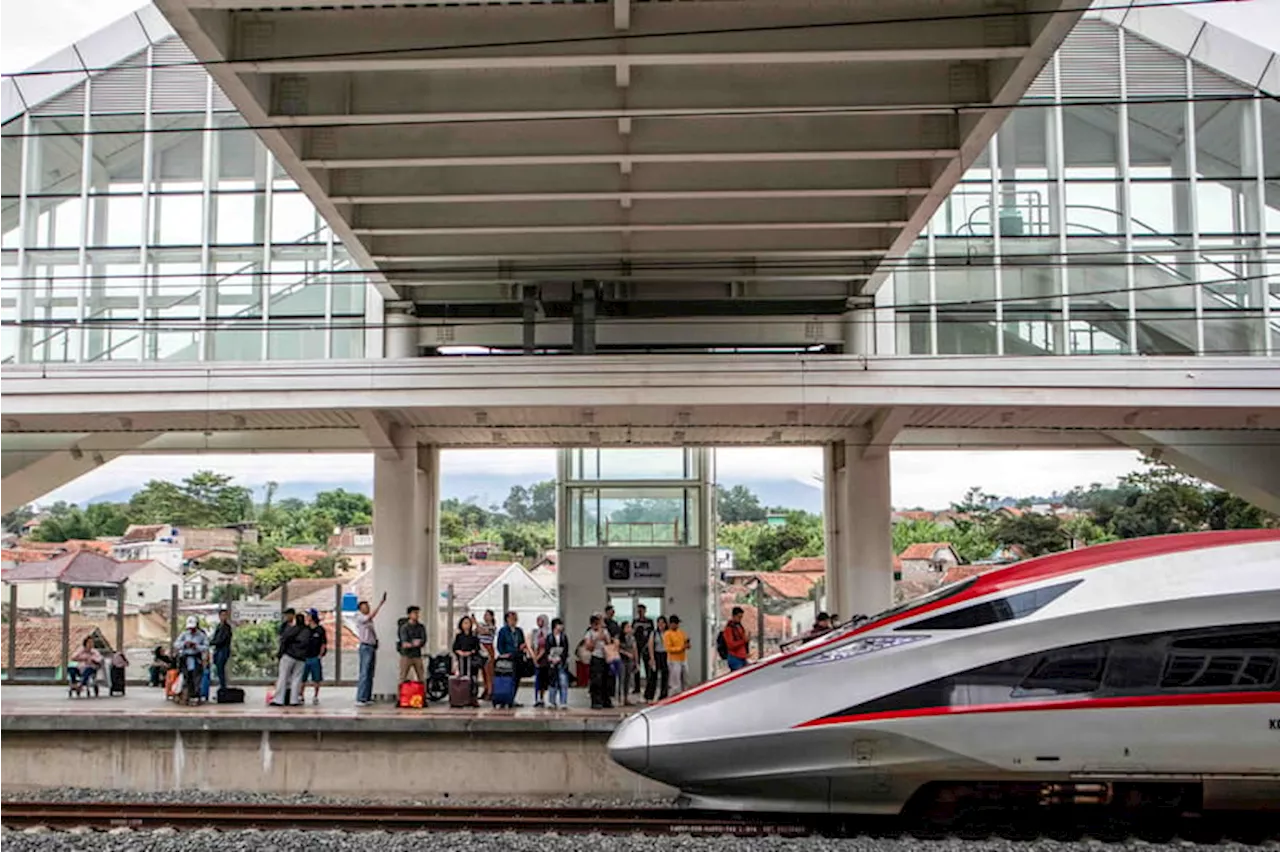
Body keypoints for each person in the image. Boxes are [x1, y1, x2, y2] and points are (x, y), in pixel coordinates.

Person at [270, 611, 308, 707]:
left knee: (283, 677)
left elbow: (284, 640)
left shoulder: (292, 629)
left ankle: (278, 700)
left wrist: (280, 654)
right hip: (301, 658)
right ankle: (294, 700)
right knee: (297, 678)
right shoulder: (307, 631)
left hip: (289, 655)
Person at [355, 592, 386, 706]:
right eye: (365, 607)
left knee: (370, 673)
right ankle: (360, 697)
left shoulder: (369, 620)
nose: (367, 608)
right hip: (365, 647)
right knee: (364, 671)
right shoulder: (359, 617)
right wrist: (380, 604)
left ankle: (367, 696)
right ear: (360, 609)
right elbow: (370, 616)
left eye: (368, 606)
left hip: (372, 646)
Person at [496, 610, 532, 707]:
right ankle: (504, 698)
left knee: (516, 679)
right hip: (508, 658)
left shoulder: (519, 631)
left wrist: (523, 647)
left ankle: (512, 698)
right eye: (512, 618)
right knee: (507, 679)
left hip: (518, 657)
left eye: (515, 619)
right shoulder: (503, 631)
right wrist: (504, 654)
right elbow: (500, 645)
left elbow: (522, 643)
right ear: (507, 619)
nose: (514, 621)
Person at [173, 616, 210, 705]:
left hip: (196, 658)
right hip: (185, 658)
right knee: (186, 677)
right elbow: (176, 644)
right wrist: (184, 645)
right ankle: (186, 696)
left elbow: (206, 646)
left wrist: (196, 646)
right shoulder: (184, 634)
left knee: (196, 678)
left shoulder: (201, 635)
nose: (192, 630)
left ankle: (195, 696)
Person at [584, 613, 613, 710]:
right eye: (595, 624)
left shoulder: (605, 632)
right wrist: (596, 638)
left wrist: (604, 637)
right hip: (596, 657)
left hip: (604, 658)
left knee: (606, 680)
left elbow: (609, 643)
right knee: (596, 680)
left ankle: (606, 700)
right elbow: (588, 647)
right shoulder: (589, 633)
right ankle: (596, 701)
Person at [452, 615, 481, 699]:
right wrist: (460, 652)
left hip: (472, 661)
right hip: (462, 660)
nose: (466, 625)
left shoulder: (474, 636)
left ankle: (472, 696)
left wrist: (471, 652)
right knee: (462, 677)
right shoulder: (459, 636)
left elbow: (477, 648)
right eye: (464, 623)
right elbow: (455, 647)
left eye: (468, 623)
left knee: (472, 677)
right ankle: (462, 696)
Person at [301, 608, 327, 705]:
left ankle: (315, 696)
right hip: (305, 657)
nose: (307, 617)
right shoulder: (305, 629)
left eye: (309, 615)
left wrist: (320, 655)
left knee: (316, 678)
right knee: (302, 678)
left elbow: (323, 643)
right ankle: (301, 695)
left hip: (315, 657)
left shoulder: (320, 630)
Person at [544, 618, 570, 709]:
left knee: (563, 681)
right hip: (552, 663)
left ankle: (563, 702)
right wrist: (550, 659)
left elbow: (566, 650)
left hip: (561, 663)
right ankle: (552, 701)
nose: (562, 626)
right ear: (555, 626)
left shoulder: (564, 637)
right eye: (560, 624)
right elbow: (546, 650)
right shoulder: (549, 637)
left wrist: (560, 658)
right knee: (552, 682)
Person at [398, 605, 428, 683]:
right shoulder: (404, 627)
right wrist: (414, 643)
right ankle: (401, 694)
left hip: (417, 655)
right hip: (406, 655)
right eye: (415, 613)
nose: (417, 615)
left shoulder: (421, 627)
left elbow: (423, 640)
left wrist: (415, 643)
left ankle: (422, 694)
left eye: (418, 613)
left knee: (421, 677)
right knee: (403, 677)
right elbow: (404, 643)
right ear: (409, 615)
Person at [663, 614, 691, 695]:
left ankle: (685, 695)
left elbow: (685, 642)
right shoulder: (667, 634)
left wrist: (687, 645)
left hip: (683, 659)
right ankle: (674, 697)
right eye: (676, 623)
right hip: (673, 660)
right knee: (675, 682)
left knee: (686, 679)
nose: (678, 625)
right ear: (671, 624)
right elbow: (668, 649)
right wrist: (680, 648)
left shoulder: (681, 632)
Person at [631, 604, 654, 696]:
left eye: (642, 610)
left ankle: (648, 687)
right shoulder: (635, 621)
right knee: (637, 667)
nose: (640, 612)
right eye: (639, 610)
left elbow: (652, 634)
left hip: (646, 647)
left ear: (645, 611)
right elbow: (632, 633)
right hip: (637, 646)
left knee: (647, 667)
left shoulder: (650, 621)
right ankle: (637, 687)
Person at [646, 615, 669, 702]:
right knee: (653, 676)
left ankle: (663, 695)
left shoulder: (668, 633)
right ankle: (649, 695)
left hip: (665, 655)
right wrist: (652, 658)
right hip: (656, 654)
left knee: (665, 676)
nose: (660, 625)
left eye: (662, 623)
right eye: (659, 623)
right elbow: (650, 645)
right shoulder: (654, 633)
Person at [210, 608, 233, 691]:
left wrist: (212, 643)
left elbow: (221, 640)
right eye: (222, 615)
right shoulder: (219, 626)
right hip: (218, 650)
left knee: (220, 668)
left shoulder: (227, 627)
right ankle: (222, 686)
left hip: (223, 650)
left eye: (225, 615)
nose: (223, 617)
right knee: (218, 668)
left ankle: (223, 687)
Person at [722, 607, 751, 672]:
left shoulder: (739, 626)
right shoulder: (729, 629)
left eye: (741, 617)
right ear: (733, 616)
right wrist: (744, 641)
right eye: (739, 617)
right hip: (735, 658)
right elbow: (731, 645)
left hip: (742, 657)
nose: (740, 619)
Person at [476, 610, 497, 700]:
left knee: (489, 671)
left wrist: (475, 623)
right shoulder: (481, 624)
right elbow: (477, 631)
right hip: (481, 648)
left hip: (488, 648)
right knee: (483, 672)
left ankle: (491, 691)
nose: (485, 616)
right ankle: (485, 689)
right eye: (484, 615)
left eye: (487, 615)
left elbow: (483, 631)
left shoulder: (492, 627)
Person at [531, 614, 550, 708]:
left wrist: (537, 657)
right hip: (536, 658)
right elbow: (533, 645)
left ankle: (542, 698)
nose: (538, 622)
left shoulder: (548, 633)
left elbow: (545, 647)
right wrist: (534, 657)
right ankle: (537, 699)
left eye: (540, 620)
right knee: (537, 680)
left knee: (543, 680)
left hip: (544, 660)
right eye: (537, 620)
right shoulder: (535, 632)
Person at [617, 621, 638, 706]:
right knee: (621, 679)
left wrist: (636, 662)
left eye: (630, 627)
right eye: (627, 627)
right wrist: (626, 653)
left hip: (630, 661)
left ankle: (626, 698)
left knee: (628, 679)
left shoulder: (632, 638)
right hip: (621, 660)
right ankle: (620, 699)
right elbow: (617, 648)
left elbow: (635, 649)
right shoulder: (618, 637)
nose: (629, 629)